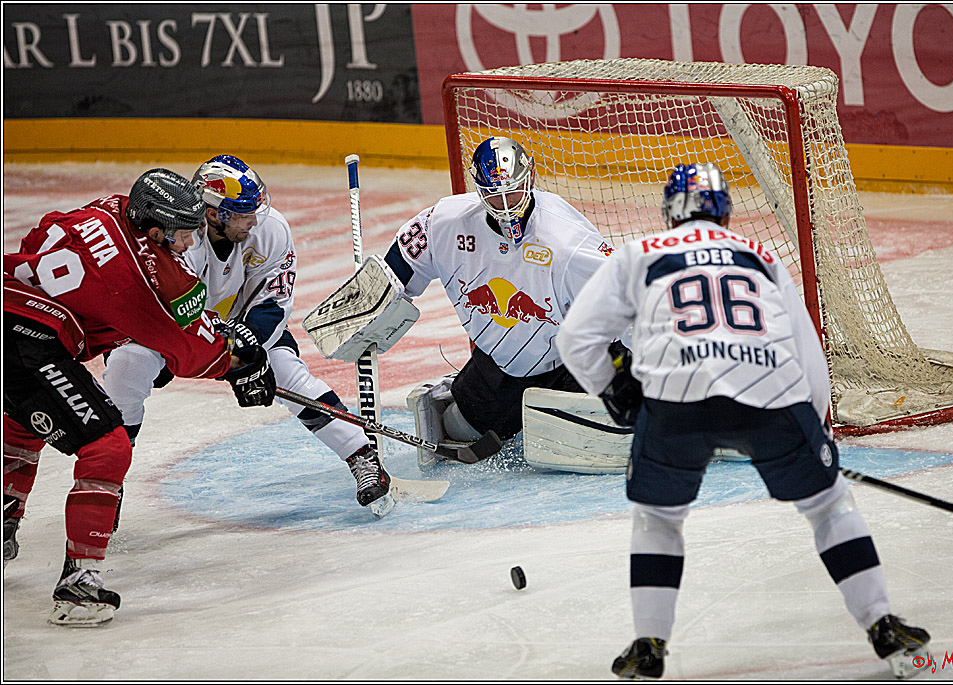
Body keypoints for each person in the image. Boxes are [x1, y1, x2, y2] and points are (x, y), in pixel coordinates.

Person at [555, 162, 931, 680]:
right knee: (827, 505)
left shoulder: (638, 255)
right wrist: (815, 431)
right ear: (724, 211)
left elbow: (575, 339)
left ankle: (648, 649)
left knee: (658, 520)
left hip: (675, 403)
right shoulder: (760, 256)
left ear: (669, 212)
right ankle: (883, 627)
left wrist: (619, 393)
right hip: (769, 395)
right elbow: (809, 356)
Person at [3, 169, 275, 626]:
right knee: (108, 445)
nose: (191, 244)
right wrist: (240, 365)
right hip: (26, 338)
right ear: (156, 230)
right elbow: (189, 350)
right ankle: (79, 584)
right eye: (186, 235)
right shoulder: (149, 279)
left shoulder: (110, 207)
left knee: (23, 422)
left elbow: (42, 242)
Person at [101, 155, 394, 518]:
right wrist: (223, 354)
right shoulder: (178, 238)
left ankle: (361, 455)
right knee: (128, 365)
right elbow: (164, 313)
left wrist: (247, 347)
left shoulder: (270, 230)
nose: (253, 220)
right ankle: (106, 481)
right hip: (169, 326)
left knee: (287, 372)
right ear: (212, 214)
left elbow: (273, 301)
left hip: (236, 320)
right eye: (241, 214)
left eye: (254, 209)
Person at [360, 136, 615, 464]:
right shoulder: (444, 224)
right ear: (479, 192)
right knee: (456, 430)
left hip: (577, 358)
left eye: (512, 192)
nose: (506, 205)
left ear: (531, 179)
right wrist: (367, 307)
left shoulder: (566, 240)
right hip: (504, 364)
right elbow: (394, 274)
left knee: (602, 429)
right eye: (495, 196)